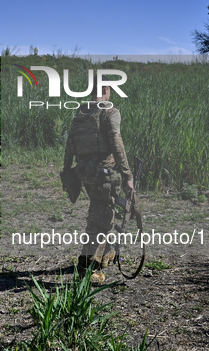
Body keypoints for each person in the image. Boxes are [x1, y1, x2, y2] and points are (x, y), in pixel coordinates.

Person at [62, 77, 134, 276]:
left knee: (106, 212)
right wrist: (128, 174)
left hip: (85, 172)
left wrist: (67, 170)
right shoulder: (110, 111)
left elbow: (70, 143)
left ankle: (106, 255)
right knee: (99, 219)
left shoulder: (81, 112)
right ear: (107, 89)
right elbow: (117, 144)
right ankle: (87, 267)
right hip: (104, 174)